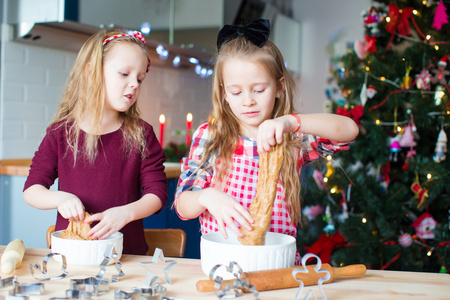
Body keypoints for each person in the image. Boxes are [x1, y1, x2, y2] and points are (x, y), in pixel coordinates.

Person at [174, 19, 359, 262]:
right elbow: (183, 206)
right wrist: (205, 196)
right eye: (236, 92)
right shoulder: (211, 136)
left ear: (279, 87)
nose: (248, 100)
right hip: (225, 262)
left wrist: (292, 122)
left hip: (277, 262)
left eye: (259, 89)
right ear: (224, 94)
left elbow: (349, 129)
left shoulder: (290, 136)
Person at [23, 28, 168, 255]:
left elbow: (157, 194)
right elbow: (32, 190)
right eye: (124, 74)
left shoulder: (142, 134)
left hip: (126, 256)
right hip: (72, 256)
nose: (135, 84)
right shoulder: (60, 134)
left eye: (140, 78)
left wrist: (126, 213)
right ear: (91, 72)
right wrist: (61, 198)